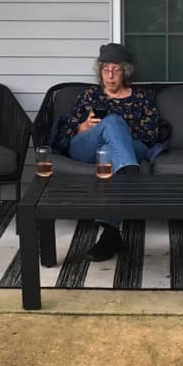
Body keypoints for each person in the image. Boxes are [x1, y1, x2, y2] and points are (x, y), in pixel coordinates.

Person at [53, 42, 159, 261]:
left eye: (116, 70)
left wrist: (119, 135)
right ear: (100, 71)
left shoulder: (142, 98)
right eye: (106, 69)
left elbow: (150, 135)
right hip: (85, 148)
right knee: (111, 122)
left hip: (128, 149)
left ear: (125, 72)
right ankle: (130, 172)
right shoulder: (90, 95)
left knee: (108, 151)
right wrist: (84, 126)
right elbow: (65, 131)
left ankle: (110, 235)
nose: (110, 75)